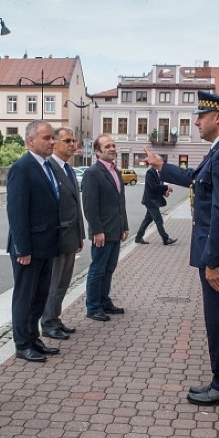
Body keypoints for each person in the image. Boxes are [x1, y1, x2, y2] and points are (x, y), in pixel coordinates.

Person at [143, 91, 219, 407]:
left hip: (218, 254)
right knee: (216, 318)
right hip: (214, 250)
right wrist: (163, 166)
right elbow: (195, 179)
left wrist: (214, 260)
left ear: (218, 117)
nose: (196, 122)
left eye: (201, 117)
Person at [7, 120, 62, 363]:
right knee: (25, 297)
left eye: (53, 137)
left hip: (46, 245)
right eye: (47, 138)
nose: (53, 142)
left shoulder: (47, 167)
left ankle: (33, 338)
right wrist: (22, 248)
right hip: (28, 247)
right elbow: (17, 211)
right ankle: (22, 344)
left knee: (39, 296)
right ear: (31, 141)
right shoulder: (22, 167)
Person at [40, 127, 85, 341]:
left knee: (64, 282)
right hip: (57, 237)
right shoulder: (49, 168)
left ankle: (55, 318)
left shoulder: (68, 169)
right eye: (67, 140)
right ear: (55, 143)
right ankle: (47, 322)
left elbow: (76, 205)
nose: (72, 144)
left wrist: (80, 235)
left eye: (73, 140)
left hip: (70, 236)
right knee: (53, 282)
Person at [81, 134, 129, 322]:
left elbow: (120, 202)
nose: (112, 148)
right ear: (97, 151)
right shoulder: (93, 173)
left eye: (113, 145)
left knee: (109, 268)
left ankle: (104, 301)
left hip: (115, 230)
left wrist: (124, 226)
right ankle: (93, 307)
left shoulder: (116, 172)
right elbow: (90, 205)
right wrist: (96, 230)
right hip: (102, 232)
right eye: (107, 146)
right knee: (98, 269)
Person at [134, 163, 177, 246]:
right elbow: (153, 186)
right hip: (150, 201)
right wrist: (166, 187)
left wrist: (165, 193)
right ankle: (166, 239)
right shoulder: (150, 172)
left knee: (147, 220)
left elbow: (158, 187)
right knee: (159, 220)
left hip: (154, 201)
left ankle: (138, 238)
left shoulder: (159, 174)